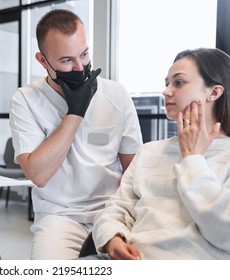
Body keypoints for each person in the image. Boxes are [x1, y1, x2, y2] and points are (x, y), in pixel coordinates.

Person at [9, 9, 143, 259]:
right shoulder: (26, 100)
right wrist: (76, 112)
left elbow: (133, 171)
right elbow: (38, 174)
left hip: (114, 211)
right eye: (66, 60)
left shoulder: (116, 94)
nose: (80, 67)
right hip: (59, 216)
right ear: (42, 60)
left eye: (84, 54)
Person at [90, 48, 230, 260]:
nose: (166, 91)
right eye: (167, 83)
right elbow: (116, 208)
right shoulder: (149, 151)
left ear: (214, 92)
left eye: (179, 82)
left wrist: (193, 159)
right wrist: (112, 239)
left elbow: (224, 232)